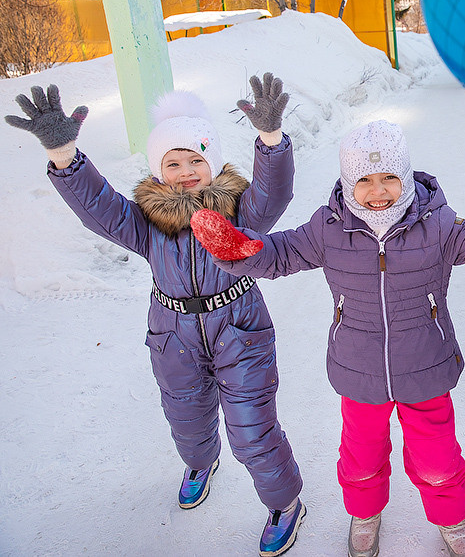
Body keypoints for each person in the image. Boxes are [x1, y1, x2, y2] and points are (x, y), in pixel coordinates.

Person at [188, 119, 465, 557]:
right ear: (346, 182)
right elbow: (280, 254)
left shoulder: (439, 225)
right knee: (360, 458)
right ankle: (365, 512)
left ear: (407, 178)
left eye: (390, 178)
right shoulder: (328, 228)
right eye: (365, 180)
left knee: (437, 459)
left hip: (426, 368)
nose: (378, 191)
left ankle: (451, 517)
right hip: (357, 371)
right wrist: (239, 249)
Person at [5, 74, 306, 557]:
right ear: (158, 169)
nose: (185, 171)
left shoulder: (239, 211)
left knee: (252, 428)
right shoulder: (148, 224)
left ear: (212, 163)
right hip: (173, 334)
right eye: (173, 162)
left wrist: (270, 141)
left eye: (196, 160)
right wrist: (64, 156)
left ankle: (284, 502)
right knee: (186, 417)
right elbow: (99, 208)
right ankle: (200, 462)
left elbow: (274, 196)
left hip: (239, 328)